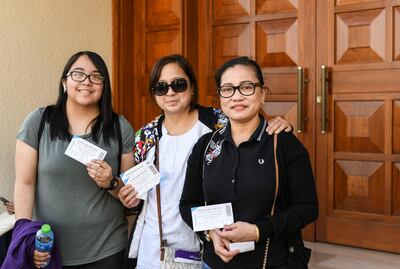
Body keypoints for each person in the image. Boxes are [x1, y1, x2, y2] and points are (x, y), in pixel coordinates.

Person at [117, 54, 292, 269]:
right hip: (154, 245)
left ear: (192, 87)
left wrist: (277, 123)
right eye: (161, 87)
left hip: (208, 244)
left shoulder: (218, 122)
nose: (170, 92)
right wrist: (131, 199)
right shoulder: (145, 136)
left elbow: (253, 122)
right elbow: (139, 193)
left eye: (178, 84)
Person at [180, 56, 318, 269]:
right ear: (220, 97)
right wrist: (210, 234)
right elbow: (188, 204)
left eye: (246, 87)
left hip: (273, 262)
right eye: (227, 89)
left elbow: (307, 208)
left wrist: (257, 231)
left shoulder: (284, 144)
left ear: (262, 94)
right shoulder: (205, 145)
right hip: (214, 262)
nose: (236, 96)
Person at [14, 51, 135, 268]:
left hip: (107, 249)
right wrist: (25, 237)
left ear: (104, 86)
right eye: (78, 74)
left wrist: (111, 183)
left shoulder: (119, 127)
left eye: (96, 77)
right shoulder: (38, 122)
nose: (87, 82)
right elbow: (24, 183)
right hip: (46, 249)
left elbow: (131, 196)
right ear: (64, 82)